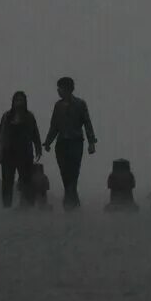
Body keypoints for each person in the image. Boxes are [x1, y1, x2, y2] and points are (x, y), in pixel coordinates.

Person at [42, 76, 97, 209]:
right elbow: (54, 125)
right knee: (64, 172)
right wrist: (48, 142)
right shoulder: (58, 105)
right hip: (61, 144)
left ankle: (70, 201)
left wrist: (91, 142)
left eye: (60, 88)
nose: (58, 91)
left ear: (67, 89)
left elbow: (87, 123)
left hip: (76, 142)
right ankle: (72, 198)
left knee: (74, 172)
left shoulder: (80, 104)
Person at [0, 91, 42, 208]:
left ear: (25, 102)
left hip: (25, 154)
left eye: (21, 100)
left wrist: (38, 148)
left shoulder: (29, 117)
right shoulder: (7, 116)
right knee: (7, 182)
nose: (19, 102)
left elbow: (35, 134)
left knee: (25, 181)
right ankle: (7, 206)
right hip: (8, 154)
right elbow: (0, 134)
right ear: (13, 102)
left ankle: (26, 205)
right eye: (17, 100)